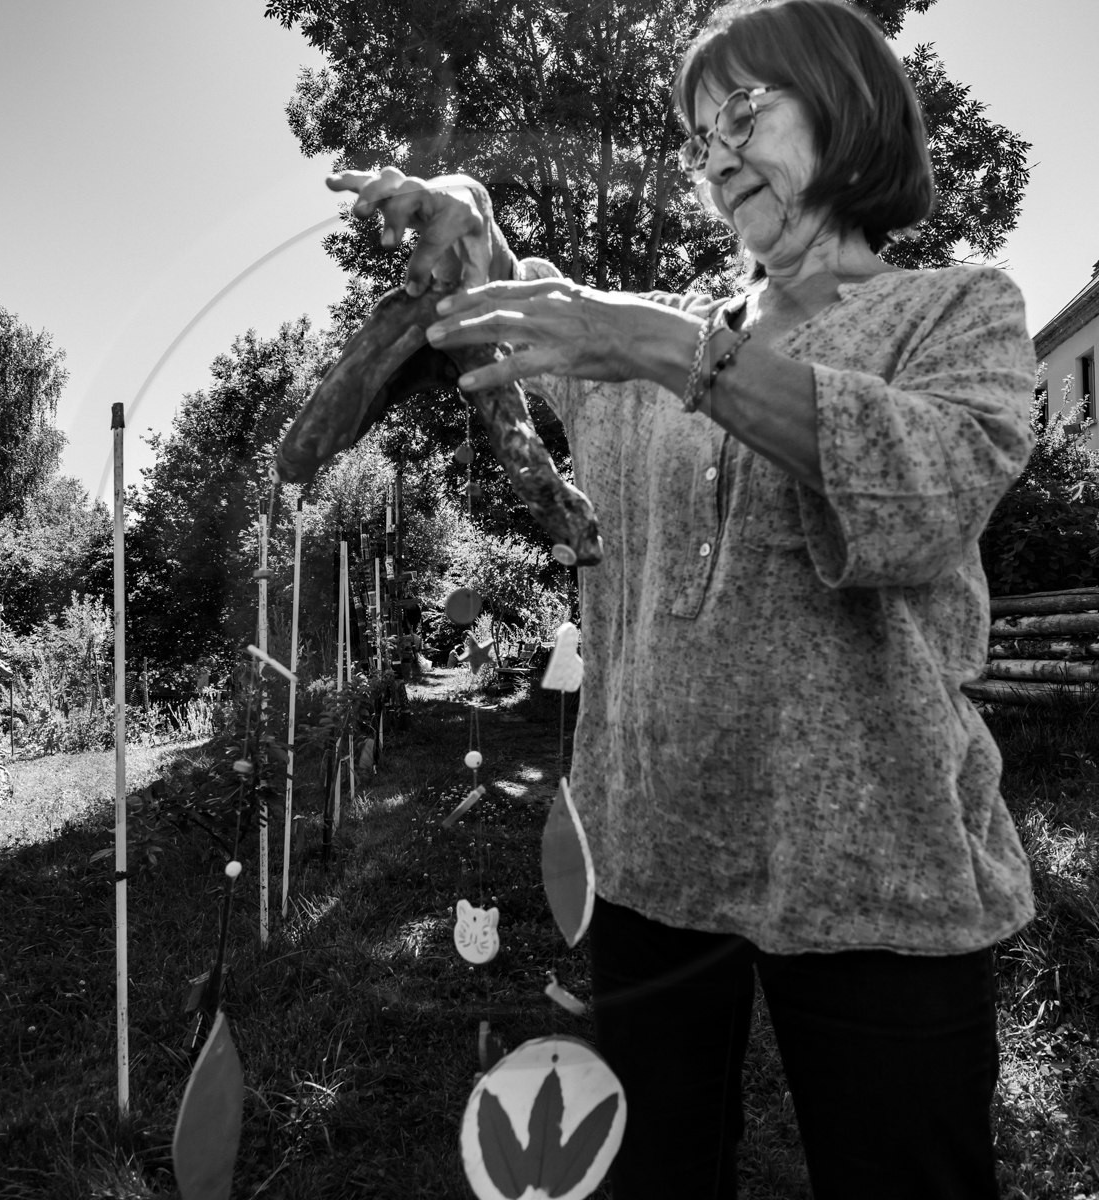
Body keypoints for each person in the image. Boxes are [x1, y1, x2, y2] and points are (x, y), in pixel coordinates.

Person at [328, 1, 1036, 1196]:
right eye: (698, 131)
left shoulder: (956, 309)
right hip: (652, 856)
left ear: (850, 107)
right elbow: (544, 319)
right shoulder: (637, 352)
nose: (713, 154)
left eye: (745, 113)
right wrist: (475, 218)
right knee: (658, 1176)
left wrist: (671, 350)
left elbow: (928, 497)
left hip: (884, 874)